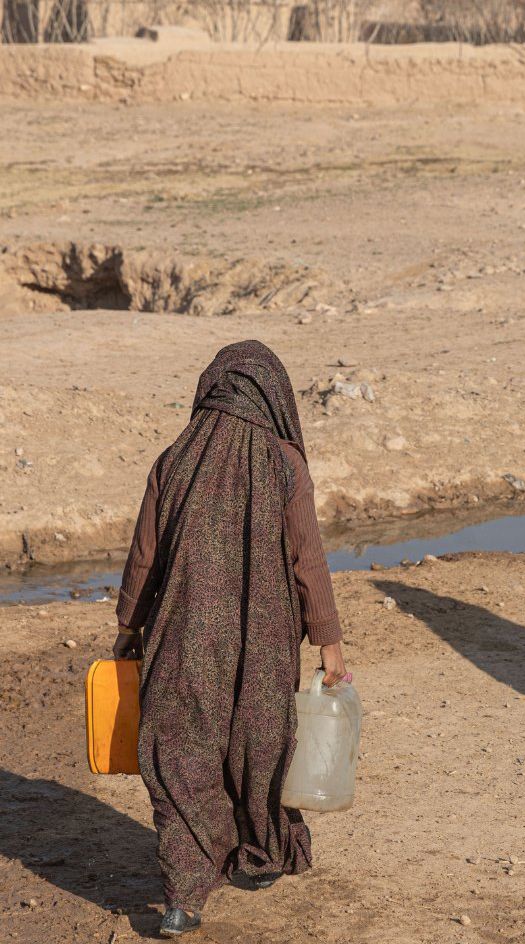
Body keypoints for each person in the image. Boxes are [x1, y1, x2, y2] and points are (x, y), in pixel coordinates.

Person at [111, 340, 349, 936]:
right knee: (260, 744)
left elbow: (145, 558)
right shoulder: (285, 462)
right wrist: (329, 641)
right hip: (263, 643)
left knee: (180, 752)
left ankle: (184, 897)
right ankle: (263, 854)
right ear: (275, 397)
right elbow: (308, 560)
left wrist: (128, 628)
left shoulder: (173, 459)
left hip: (182, 636)